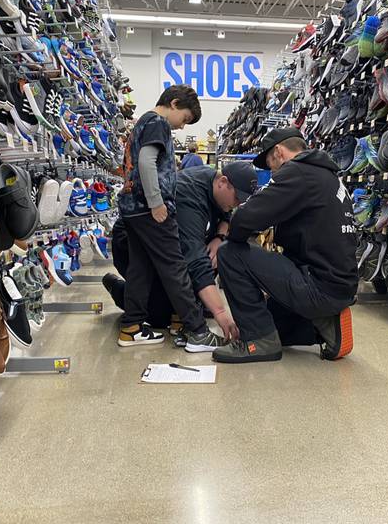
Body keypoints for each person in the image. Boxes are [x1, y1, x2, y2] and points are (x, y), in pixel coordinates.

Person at [213, 128, 358, 364]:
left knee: (229, 253)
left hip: (317, 286)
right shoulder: (327, 176)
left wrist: (238, 250)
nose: (272, 171)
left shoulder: (297, 171)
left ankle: (259, 342)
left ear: (279, 152)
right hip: (337, 284)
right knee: (273, 324)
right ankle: (324, 324)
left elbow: (245, 218)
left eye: (270, 164)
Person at [115, 84, 226, 352]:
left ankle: (131, 327)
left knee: (141, 268)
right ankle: (198, 332)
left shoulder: (142, 121)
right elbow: (146, 162)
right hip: (150, 208)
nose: (182, 127)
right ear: (174, 104)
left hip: (132, 208)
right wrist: (156, 202)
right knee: (175, 268)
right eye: (185, 119)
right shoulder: (158, 123)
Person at [104, 161, 258, 343]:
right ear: (222, 182)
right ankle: (116, 286)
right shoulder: (190, 197)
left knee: (212, 254)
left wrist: (219, 237)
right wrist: (220, 312)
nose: (237, 204)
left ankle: (186, 307)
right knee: (159, 316)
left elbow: (226, 213)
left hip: (165, 244)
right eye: (237, 198)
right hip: (132, 244)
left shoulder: (214, 184)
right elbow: (194, 259)